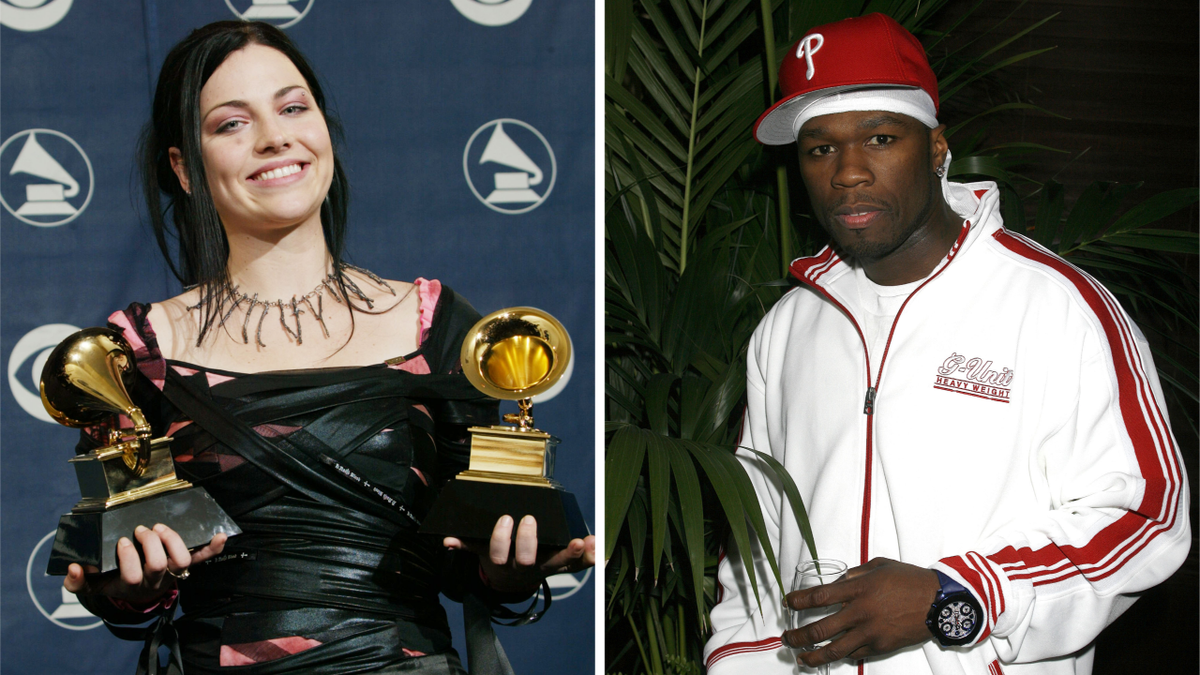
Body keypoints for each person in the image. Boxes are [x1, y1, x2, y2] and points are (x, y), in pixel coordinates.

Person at [59, 21, 594, 675]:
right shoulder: (135, 353)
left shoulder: (436, 325)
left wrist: (509, 569)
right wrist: (129, 587)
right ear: (184, 169)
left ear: (321, 126)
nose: (275, 136)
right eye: (232, 123)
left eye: (292, 107)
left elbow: (473, 556)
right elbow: (119, 575)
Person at [703, 13, 1189, 675]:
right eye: (819, 148)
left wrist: (953, 594)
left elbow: (1145, 517)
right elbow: (756, 547)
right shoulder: (788, 329)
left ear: (936, 148)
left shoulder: (1056, 306)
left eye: (879, 137)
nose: (847, 172)